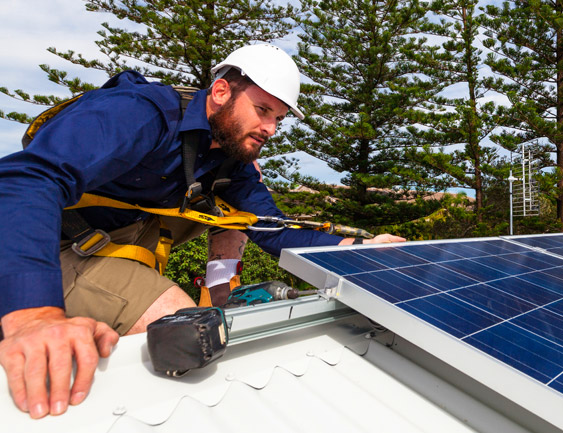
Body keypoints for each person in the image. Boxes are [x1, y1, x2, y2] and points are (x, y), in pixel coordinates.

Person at [0, 44, 404, 419]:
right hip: (57, 244)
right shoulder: (139, 113)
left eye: (278, 119)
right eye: (263, 110)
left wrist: (351, 247)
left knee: (235, 210)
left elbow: (269, 227)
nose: (271, 129)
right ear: (222, 91)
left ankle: (219, 293)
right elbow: (26, 180)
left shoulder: (230, 158)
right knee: (188, 331)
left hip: (125, 233)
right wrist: (33, 314)